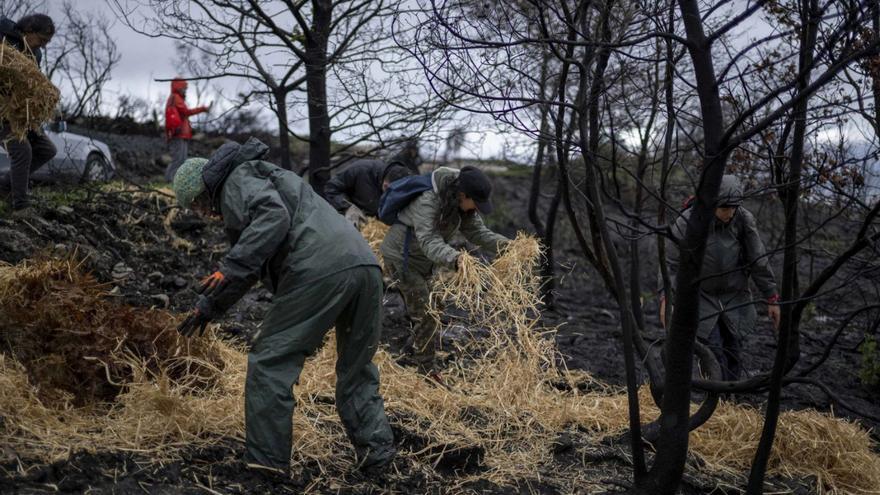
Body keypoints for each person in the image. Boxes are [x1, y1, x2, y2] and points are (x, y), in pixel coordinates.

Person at [172, 137, 395, 475]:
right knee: (357, 369)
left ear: (203, 191)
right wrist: (210, 306)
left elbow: (271, 221)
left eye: (198, 206)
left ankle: (267, 466)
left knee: (269, 363)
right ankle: (378, 457)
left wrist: (228, 267)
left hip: (319, 269)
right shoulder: (263, 173)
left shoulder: (235, 181)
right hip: (364, 266)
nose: (204, 214)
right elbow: (253, 260)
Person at [379, 166, 510, 375]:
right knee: (426, 313)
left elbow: (478, 232)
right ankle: (427, 371)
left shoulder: (461, 205)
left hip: (424, 261)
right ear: (462, 194)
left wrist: (510, 247)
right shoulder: (428, 202)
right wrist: (456, 259)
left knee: (436, 306)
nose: (476, 208)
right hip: (401, 259)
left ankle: (411, 350)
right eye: (475, 203)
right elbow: (429, 240)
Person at [660, 174, 780, 381]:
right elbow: (670, 263)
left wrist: (772, 297)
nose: (730, 213)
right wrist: (667, 298)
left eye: (734, 207)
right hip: (702, 296)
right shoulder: (689, 221)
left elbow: (757, 258)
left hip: (735, 296)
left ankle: (732, 399)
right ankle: (716, 398)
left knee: (734, 347)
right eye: (725, 208)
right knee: (712, 350)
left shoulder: (743, 219)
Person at [0, 14, 57, 213]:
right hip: (2, 111)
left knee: (47, 149)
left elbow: (32, 84)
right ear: (29, 30)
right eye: (41, 40)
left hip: (19, 112)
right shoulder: (4, 35)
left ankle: (6, 184)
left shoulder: (35, 54)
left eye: (46, 42)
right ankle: (21, 206)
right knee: (22, 151)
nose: (43, 46)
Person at [325, 159, 413, 227]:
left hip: (373, 226)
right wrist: (347, 207)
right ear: (385, 184)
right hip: (347, 219)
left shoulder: (407, 187)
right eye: (387, 190)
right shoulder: (360, 169)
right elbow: (331, 188)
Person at [163, 78, 211, 182]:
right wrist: (202, 109)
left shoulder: (176, 98)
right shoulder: (176, 98)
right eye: (184, 88)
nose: (185, 90)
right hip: (178, 134)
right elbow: (185, 112)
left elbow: (182, 115)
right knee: (178, 159)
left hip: (181, 134)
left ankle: (173, 180)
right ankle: (169, 180)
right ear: (179, 87)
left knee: (181, 159)